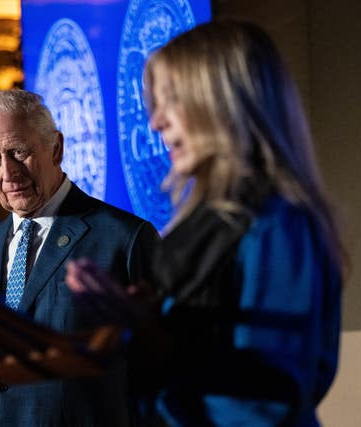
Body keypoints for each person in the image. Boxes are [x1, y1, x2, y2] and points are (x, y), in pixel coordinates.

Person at [66, 21, 346, 426]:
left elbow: (266, 401)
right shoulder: (201, 227)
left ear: (225, 101)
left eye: (171, 101)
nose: (156, 122)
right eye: (153, 105)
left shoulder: (277, 223)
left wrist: (154, 339)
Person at [0, 89, 159, 426]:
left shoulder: (125, 239)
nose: (8, 173)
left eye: (19, 152)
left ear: (56, 148)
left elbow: (157, 371)